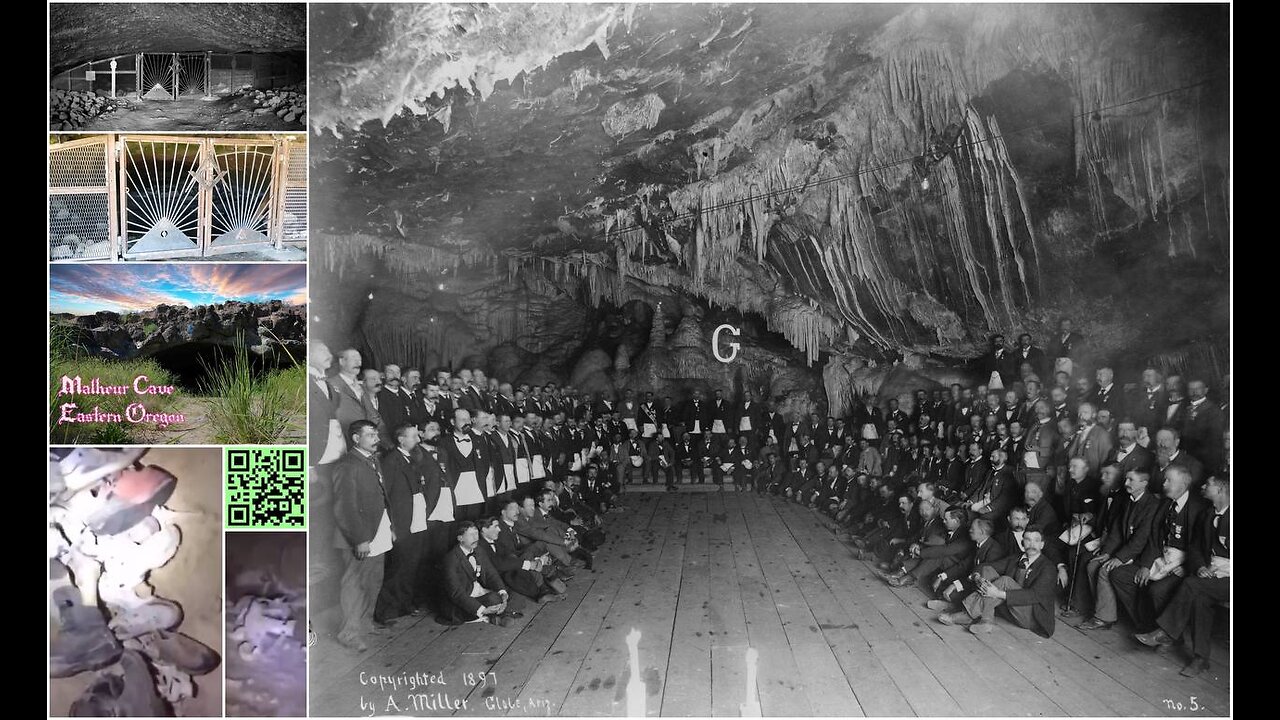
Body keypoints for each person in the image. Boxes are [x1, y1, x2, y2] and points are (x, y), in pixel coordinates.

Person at [1135, 476, 1229, 677]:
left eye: (1208, 484)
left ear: (1221, 489)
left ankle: (1166, 632)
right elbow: (1195, 548)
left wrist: (1223, 569)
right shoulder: (1208, 513)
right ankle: (1200, 659)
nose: (1202, 486)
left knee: (1191, 584)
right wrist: (1201, 566)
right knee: (1200, 599)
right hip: (1212, 576)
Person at [1107, 466, 1208, 636]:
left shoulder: (1199, 509)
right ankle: (1145, 624)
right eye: (1165, 479)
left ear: (1182, 485)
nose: (1164, 483)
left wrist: (1187, 568)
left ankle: (1169, 636)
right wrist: (1146, 565)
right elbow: (1154, 539)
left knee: (1158, 591)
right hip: (1162, 558)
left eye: (1169, 481)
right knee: (1120, 576)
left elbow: (1202, 546)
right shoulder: (1164, 504)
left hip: (1185, 564)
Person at [1076, 468, 1160, 630]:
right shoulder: (1128, 500)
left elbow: (1141, 539)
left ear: (1144, 483)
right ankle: (1106, 611)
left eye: (1131, 480)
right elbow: (1116, 530)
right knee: (1093, 565)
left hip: (1141, 555)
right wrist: (1107, 552)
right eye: (1126, 479)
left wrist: (1119, 558)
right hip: (1125, 550)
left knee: (1104, 570)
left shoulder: (1152, 505)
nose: (1126, 483)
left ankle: (1103, 618)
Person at [331, 420, 389, 651]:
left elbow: (380, 496)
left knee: (373, 580)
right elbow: (344, 507)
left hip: (378, 531)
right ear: (356, 439)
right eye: (370, 435)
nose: (376, 438)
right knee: (354, 585)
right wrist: (359, 539)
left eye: (376, 434)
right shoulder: (347, 465)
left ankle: (366, 623)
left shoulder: (372, 460)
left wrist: (389, 525)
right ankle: (349, 633)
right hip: (360, 536)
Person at [939, 526, 1058, 636]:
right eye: (1028, 540)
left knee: (1005, 581)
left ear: (1042, 544)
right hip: (1011, 608)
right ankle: (986, 620)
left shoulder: (1048, 568)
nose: (1031, 544)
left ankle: (967, 615)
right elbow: (987, 567)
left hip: (1031, 616)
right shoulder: (1016, 558)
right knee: (987, 571)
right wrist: (977, 576)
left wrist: (997, 594)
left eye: (1036, 541)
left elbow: (1034, 595)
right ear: (1022, 543)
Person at [440, 522, 521, 626]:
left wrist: (502, 593)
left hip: (477, 591)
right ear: (460, 538)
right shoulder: (451, 559)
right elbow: (457, 594)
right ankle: (493, 615)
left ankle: (495, 614)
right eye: (471, 535)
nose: (475, 538)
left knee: (510, 594)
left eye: (476, 534)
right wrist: (483, 610)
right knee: (493, 598)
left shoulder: (478, 550)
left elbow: (491, 573)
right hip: (458, 602)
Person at [474, 516, 566, 604]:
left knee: (527, 556)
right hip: (494, 578)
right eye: (495, 527)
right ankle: (544, 587)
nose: (499, 529)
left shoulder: (494, 541)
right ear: (484, 529)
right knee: (519, 568)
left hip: (506, 568)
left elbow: (509, 553)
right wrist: (529, 564)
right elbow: (499, 564)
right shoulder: (480, 546)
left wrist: (536, 560)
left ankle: (545, 588)